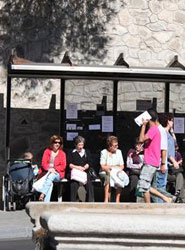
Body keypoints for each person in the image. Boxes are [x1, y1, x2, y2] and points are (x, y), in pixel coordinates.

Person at [137, 109, 173, 203]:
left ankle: (150, 206)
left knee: (144, 185)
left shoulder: (153, 129)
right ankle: (166, 198)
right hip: (152, 161)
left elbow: (141, 139)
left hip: (150, 161)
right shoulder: (156, 130)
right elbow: (147, 143)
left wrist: (143, 125)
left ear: (149, 119)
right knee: (145, 185)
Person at [38, 135, 66, 202]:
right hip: (47, 172)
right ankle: (46, 203)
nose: (57, 144)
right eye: (55, 142)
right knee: (49, 184)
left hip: (58, 173)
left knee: (51, 176)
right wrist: (49, 169)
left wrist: (55, 169)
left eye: (59, 143)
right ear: (52, 143)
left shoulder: (62, 153)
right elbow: (43, 163)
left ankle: (43, 193)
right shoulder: (47, 151)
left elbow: (63, 166)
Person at [67, 136, 94, 202]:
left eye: (82, 144)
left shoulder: (86, 152)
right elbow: (69, 164)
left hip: (85, 172)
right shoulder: (71, 152)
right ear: (75, 145)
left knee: (89, 184)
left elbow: (90, 162)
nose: (81, 147)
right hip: (75, 172)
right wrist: (78, 167)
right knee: (74, 184)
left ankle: (90, 202)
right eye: (79, 145)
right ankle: (72, 202)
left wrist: (85, 167)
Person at [99, 135, 124, 203]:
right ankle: (106, 199)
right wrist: (113, 167)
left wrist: (111, 167)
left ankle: (117, 199)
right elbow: (103, 166)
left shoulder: (119, 152)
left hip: (116, 172)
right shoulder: (104, 152)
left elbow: (122, 166)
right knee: (108, 176)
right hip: (106, 172)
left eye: (117, 145)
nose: (117, 147)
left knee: (120, 177)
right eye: (115, 145)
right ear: (110, 146)